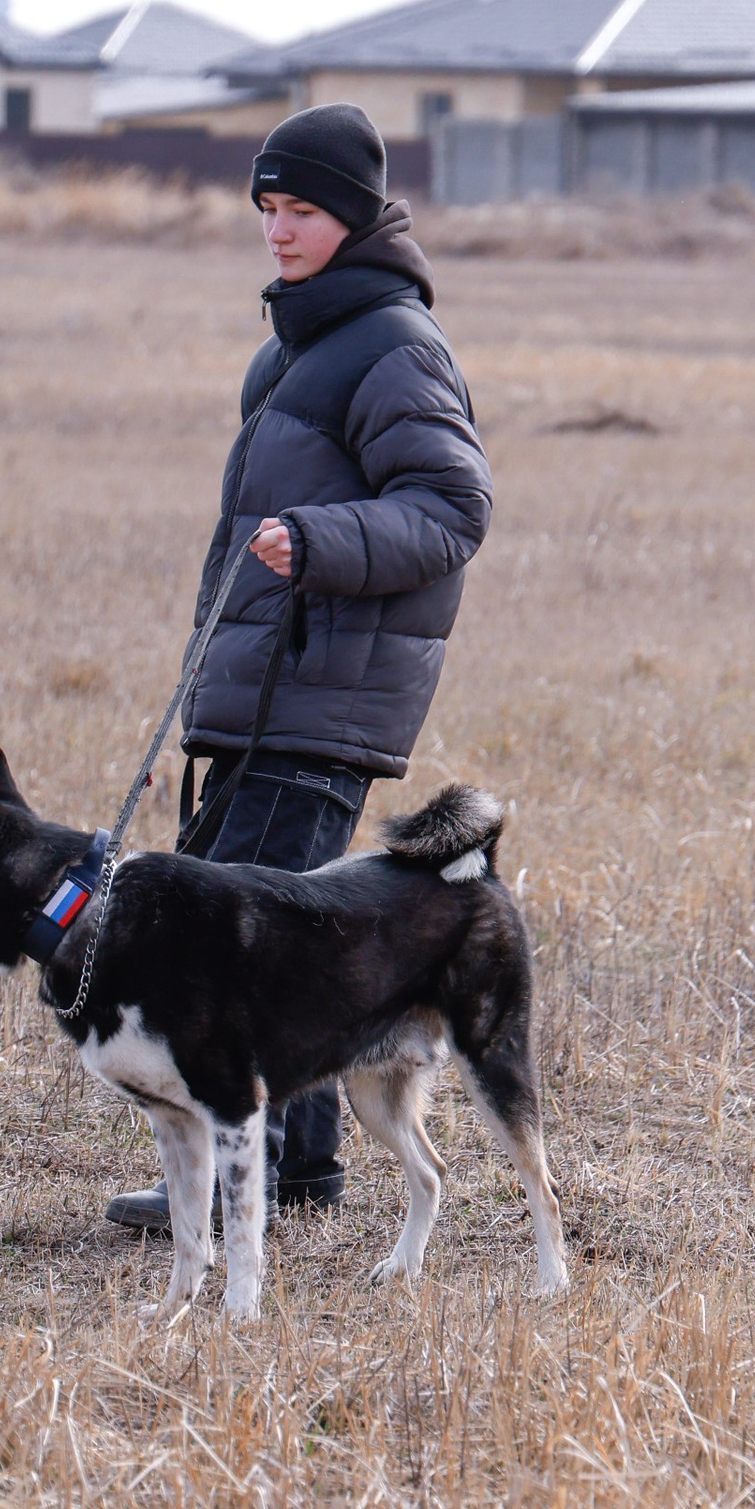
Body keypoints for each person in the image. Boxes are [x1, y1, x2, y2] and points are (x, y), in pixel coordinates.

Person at [107, 103, 493, 1233]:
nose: (278, 231)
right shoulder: (299, 345)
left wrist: (324, 541)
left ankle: (248, 1188)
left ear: (359, 215)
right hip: (265, 691)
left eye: (303, 210)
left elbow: (451, 506)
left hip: (322, 692)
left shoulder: (393, 345)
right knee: (273, 930)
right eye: (267, 209)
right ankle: (298, 1171)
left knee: (240, 942)